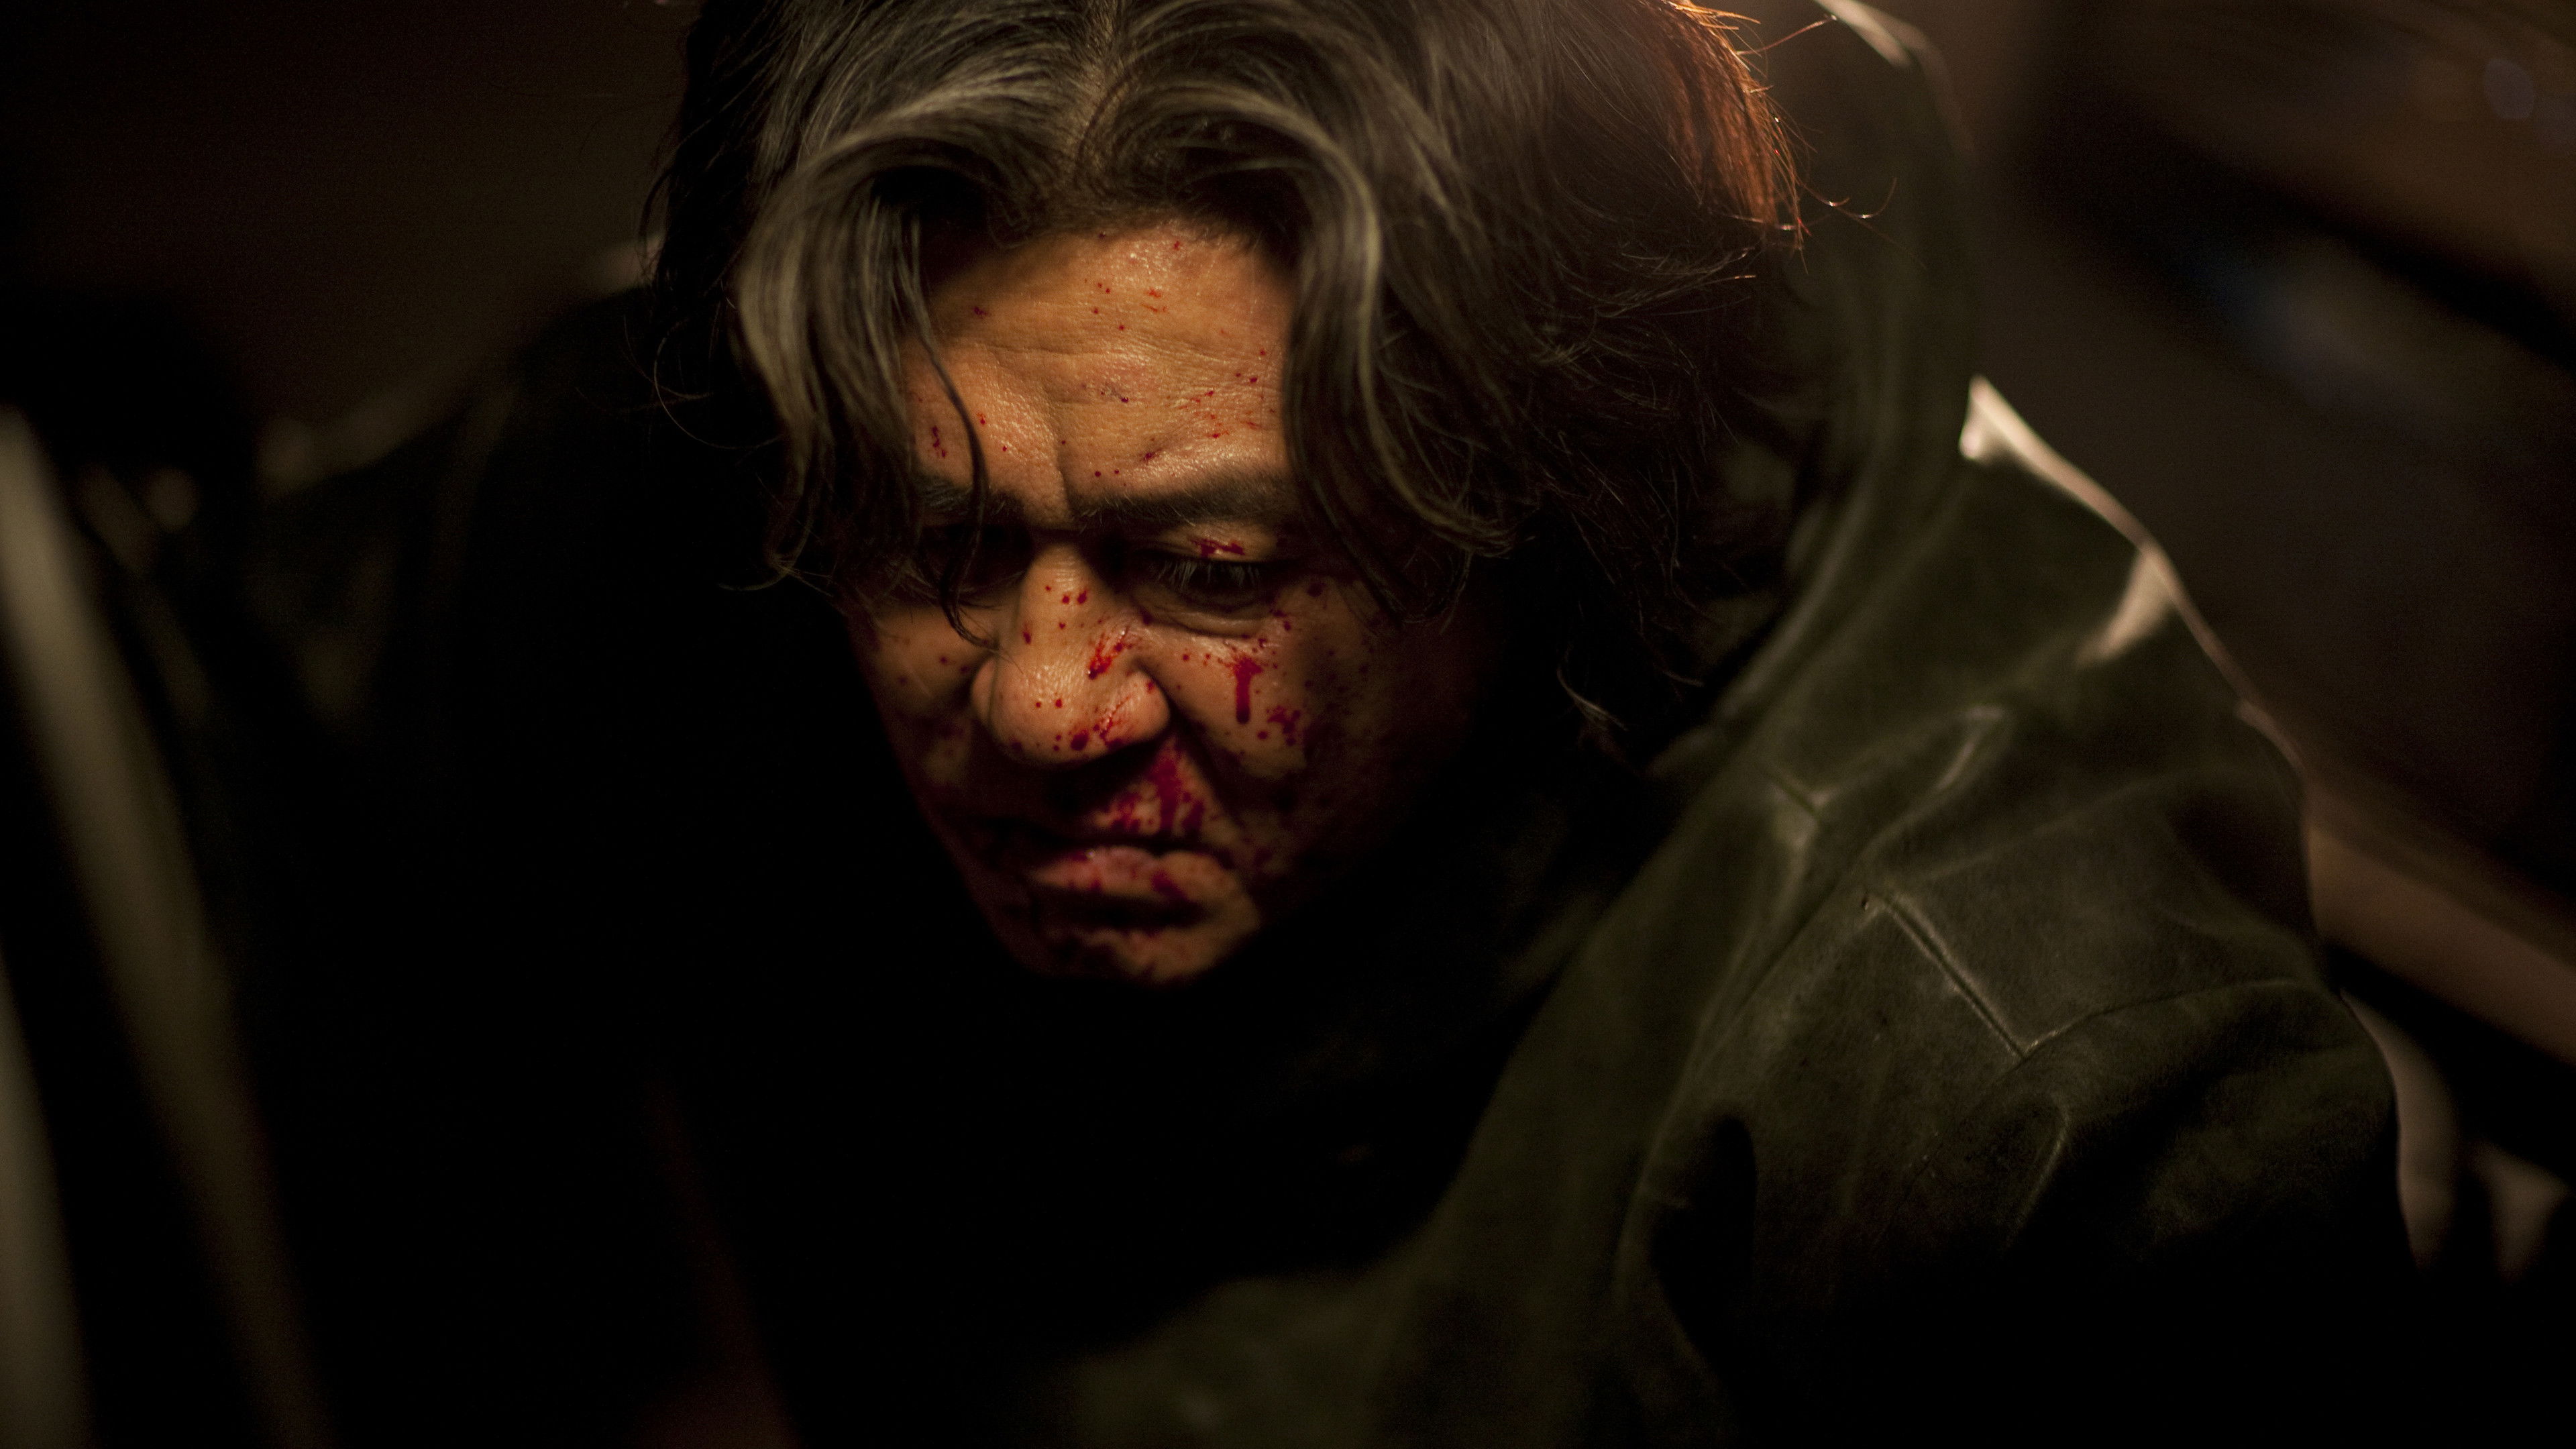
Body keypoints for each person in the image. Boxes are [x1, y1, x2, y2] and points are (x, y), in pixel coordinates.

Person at [244, 0, 2412, 1442]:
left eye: (1207, 567)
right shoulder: (714, 473)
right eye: (931, 535)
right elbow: (190, 709)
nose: (1036, 703)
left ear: (1533, 486)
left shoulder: (2027, 1084)